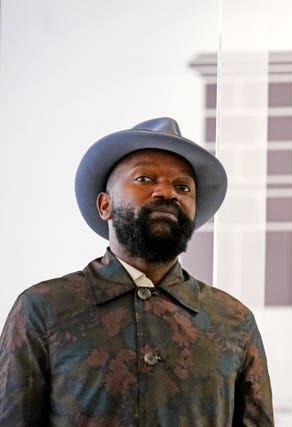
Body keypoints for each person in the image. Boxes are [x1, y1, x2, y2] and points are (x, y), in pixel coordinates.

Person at [0, 117, 274, 426]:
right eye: (145, 179)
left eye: (182, 186)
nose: (167, 193)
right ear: (105, 205)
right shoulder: (45, 309)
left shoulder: (233, 321)